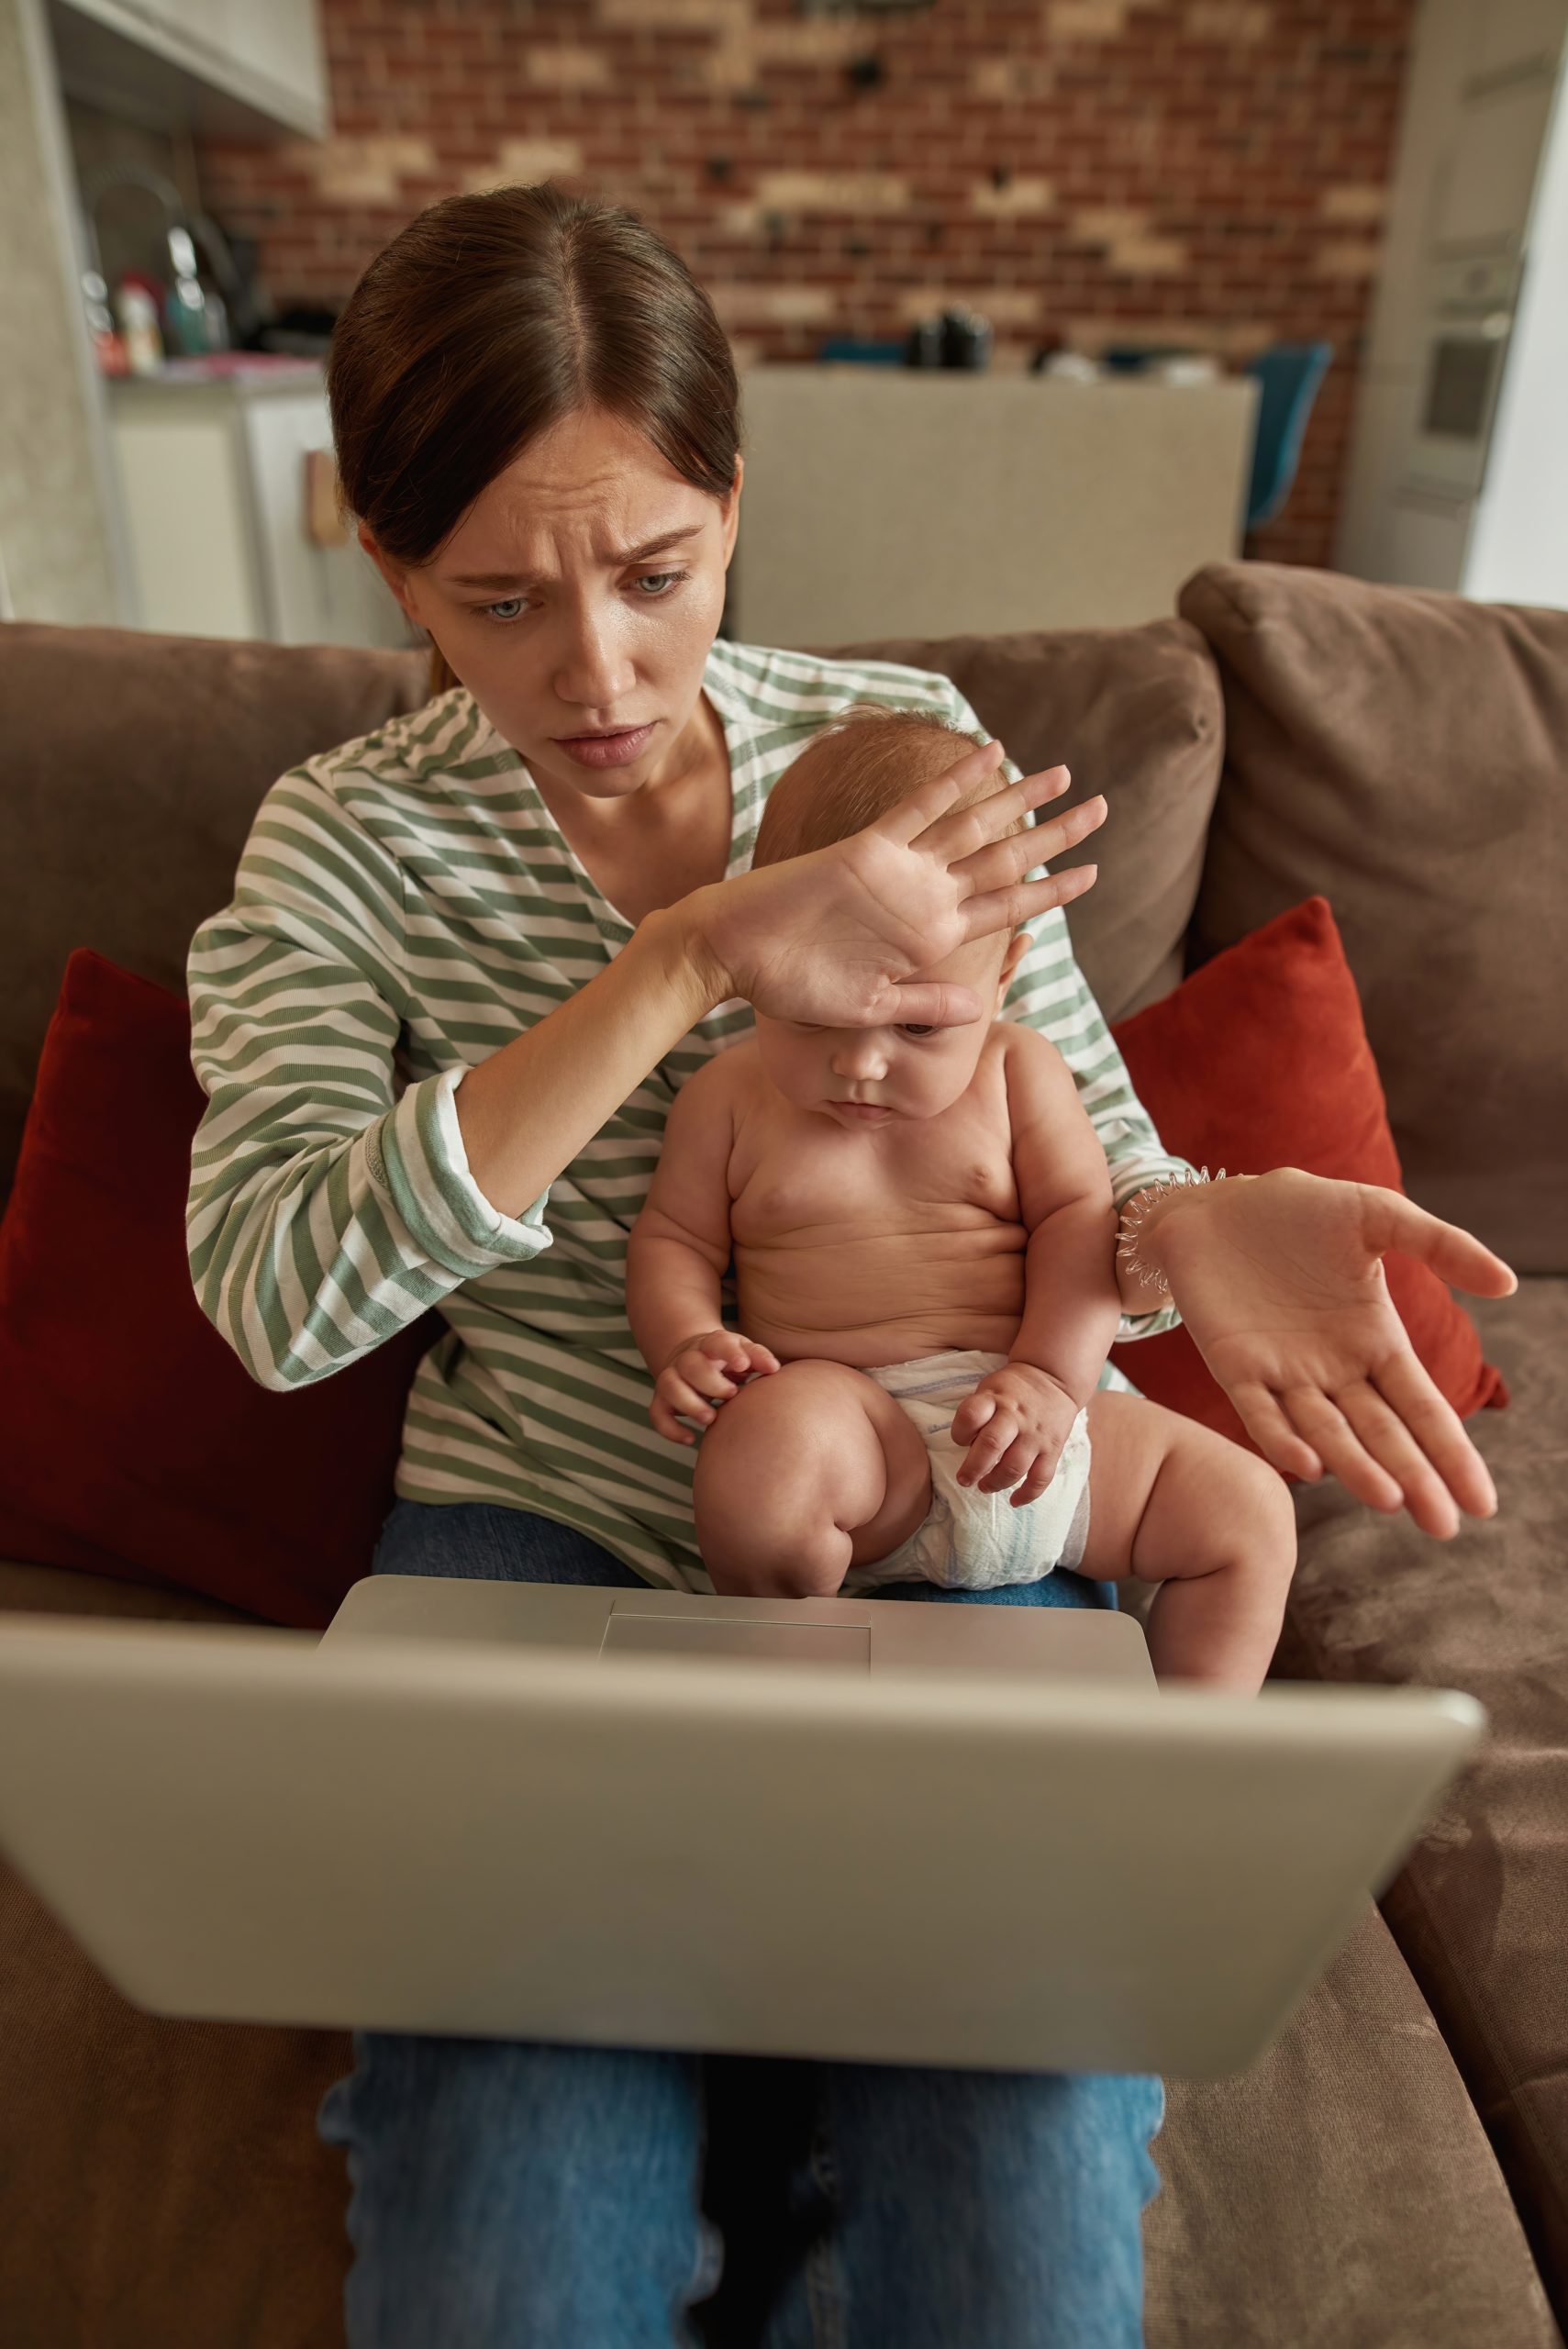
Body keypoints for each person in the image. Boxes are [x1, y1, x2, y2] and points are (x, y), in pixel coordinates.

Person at [184, 182, 1517, 2349]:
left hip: (933, 1528)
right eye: (498, 598)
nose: (597, 672)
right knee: (503, 2252)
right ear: (386, 557)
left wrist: (1194, 1221)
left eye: (656, 574)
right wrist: (679, 957)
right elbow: (269, 1290)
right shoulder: (344, 842)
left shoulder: (896, 743)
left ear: (733, 495)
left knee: (1014, 2244)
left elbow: (1077, 1163)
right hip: (543, 1529)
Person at [627, 705, 1296, 1690]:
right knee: (760, 1456)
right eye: (813, 1014)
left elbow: (1079, 1218)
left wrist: (1049, 1379)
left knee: (1249, 1512)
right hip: (861, 1447)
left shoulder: (1020, 1074)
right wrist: (684, 1341)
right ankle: (784, 1668)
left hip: (1043, 1431)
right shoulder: (725, 1098)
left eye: (918, 1027)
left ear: (1005, 969)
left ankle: (1185, 1754)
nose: (860, 1061)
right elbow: (672, 1239)